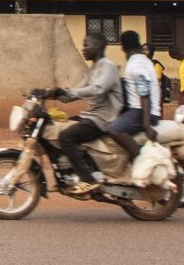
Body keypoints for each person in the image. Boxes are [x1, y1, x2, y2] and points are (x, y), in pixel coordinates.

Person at [44, 32, 125, 191]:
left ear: (99, 46)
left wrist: (70, 93)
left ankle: (88, 179)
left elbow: (97, 89)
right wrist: (51, 92)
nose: (83, 49)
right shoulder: (94, 68)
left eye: (87, 45)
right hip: (91, 116)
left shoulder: (107, 66)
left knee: (66, 137)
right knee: (55, 126)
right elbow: (77, 91)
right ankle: (66, 175)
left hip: (103, 119)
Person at [109, 29, 161, 154]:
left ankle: (139, 157)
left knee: (113, 129)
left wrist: (147, 126)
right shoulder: (144, 60)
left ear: (124, 48)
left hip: (140, 111)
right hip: (140, 110)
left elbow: (144, 93)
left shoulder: (136, 64)